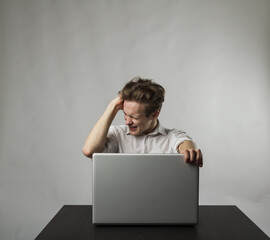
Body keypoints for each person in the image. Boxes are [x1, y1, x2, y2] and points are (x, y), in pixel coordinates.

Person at [82, 77, 203, 167]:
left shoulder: (172, 137)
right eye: (125, 114)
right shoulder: (116, 134)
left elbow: (184, 143)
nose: (127, 122)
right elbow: (89, 151)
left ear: (154, 115)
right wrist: (111, 108)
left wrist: (188, 151)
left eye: (134, 117)